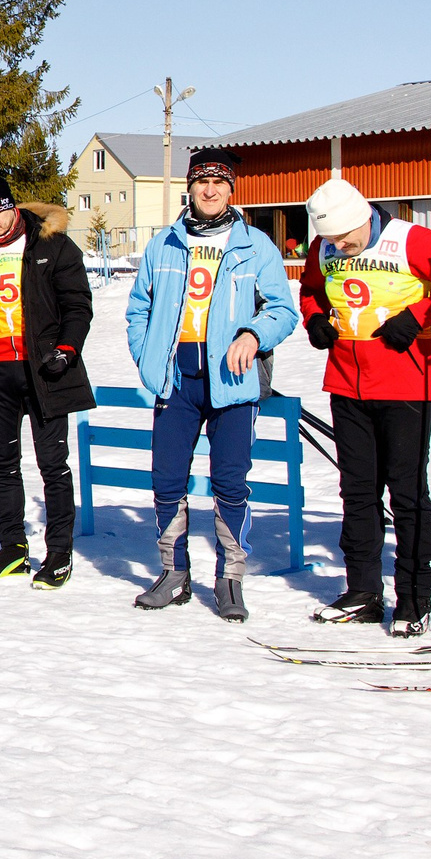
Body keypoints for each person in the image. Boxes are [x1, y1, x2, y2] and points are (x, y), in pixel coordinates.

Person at [299, 178, 431, 635]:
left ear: (365, 218)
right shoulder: (325, 246)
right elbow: (310, 289)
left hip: (406, 384)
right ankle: (362, 590)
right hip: (347, 384)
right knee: (358, 491)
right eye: (331, 241)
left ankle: (414, 597)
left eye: (346, 238)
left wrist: (420, 315)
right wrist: (315, 320)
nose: (340, 248)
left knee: (406, 493)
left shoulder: (412, 240)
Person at [124, 149, 300, 619]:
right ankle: (174, 573)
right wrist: (148, 359)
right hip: (176, 380)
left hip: (232, 382)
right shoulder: (164, 244)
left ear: (231, 189)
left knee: (229, 483)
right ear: (190, 187)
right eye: (202, 181)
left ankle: (229, 580)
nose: (210, 190)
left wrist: (254, 333)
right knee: (166, 481)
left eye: (219, 182)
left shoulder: (255, 245)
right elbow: (138, 309)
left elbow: (284, 310)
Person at [0, 173, 95, 584]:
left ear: (12, 205)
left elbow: (78, 306)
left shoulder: (52, 244)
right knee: (2, 462)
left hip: (45, 370)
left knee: (52, 463)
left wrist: (66, 350)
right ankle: (13, 547)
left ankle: (59, 553)